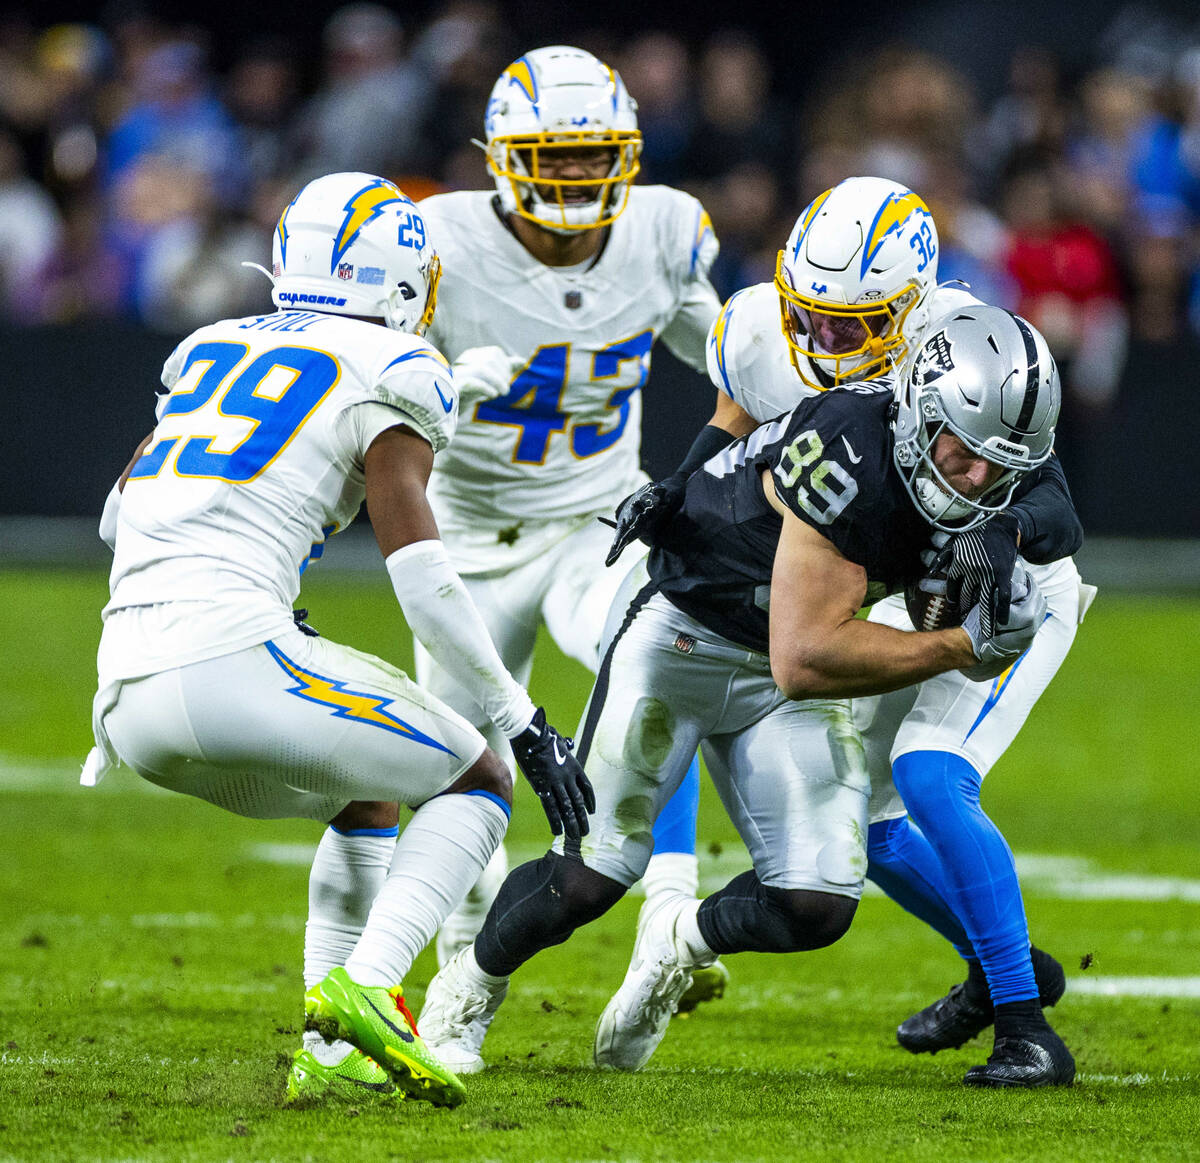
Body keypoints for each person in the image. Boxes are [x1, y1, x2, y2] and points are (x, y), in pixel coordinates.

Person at [417, 304, 1063, 1081]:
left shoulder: (985, 439)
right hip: (687, 637)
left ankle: (677, 944)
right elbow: (806, 655)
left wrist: (1009, 534)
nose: (982, 478)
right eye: (968, 454)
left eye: (1003, 462)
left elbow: (1052, 511)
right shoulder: (851, 446)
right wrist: (961, 644)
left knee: (816, 901)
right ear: (925, 410)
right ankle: (465, 991)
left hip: (786, 663)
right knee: (590, 873)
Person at [81, 171, 594, 1109]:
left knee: (370, 792)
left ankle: (327, 1049)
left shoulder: (211, 347)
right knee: (477, 776)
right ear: (399, 280)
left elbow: (119, 518)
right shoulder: (398, 366)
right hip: (229, 657)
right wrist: (519, 716)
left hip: (127, 696)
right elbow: (422, 577)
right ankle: (367, 987)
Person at [609, 176, 1089, 1087]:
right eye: (814, 317)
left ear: (912, 307)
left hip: (1010, 594)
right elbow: (733, 420)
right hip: (914, 589)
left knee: (928, 771)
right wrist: (676, 493)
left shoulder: (967, 344)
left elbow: (1055, 499)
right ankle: (1010, 970)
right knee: (864, 823)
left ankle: (1026, 1026)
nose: (827, 342)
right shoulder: (759, 328)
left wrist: (1004, 529)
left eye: (854, 324)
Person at [410, 44, 728, 1002]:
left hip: (594, 516)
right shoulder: (435, 241)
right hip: (462, 537)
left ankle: (671, 905)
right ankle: (463, 960)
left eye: (596, 155)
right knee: (460, 768)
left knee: (660, 656)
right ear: (502, 156)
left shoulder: (663, 231)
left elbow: (725, 351)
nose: (580, 175)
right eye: (557, 154)